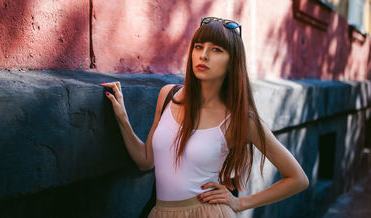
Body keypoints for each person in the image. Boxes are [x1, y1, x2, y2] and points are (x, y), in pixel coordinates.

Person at [101, 17, 309, 217]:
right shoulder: (168, 95)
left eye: (216, 50)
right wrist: (122, 118)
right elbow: (145, 161)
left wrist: (240, 203)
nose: (204, 56)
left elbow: (298, 179)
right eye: (199, 46)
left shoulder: (240, 119)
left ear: (232, 62)